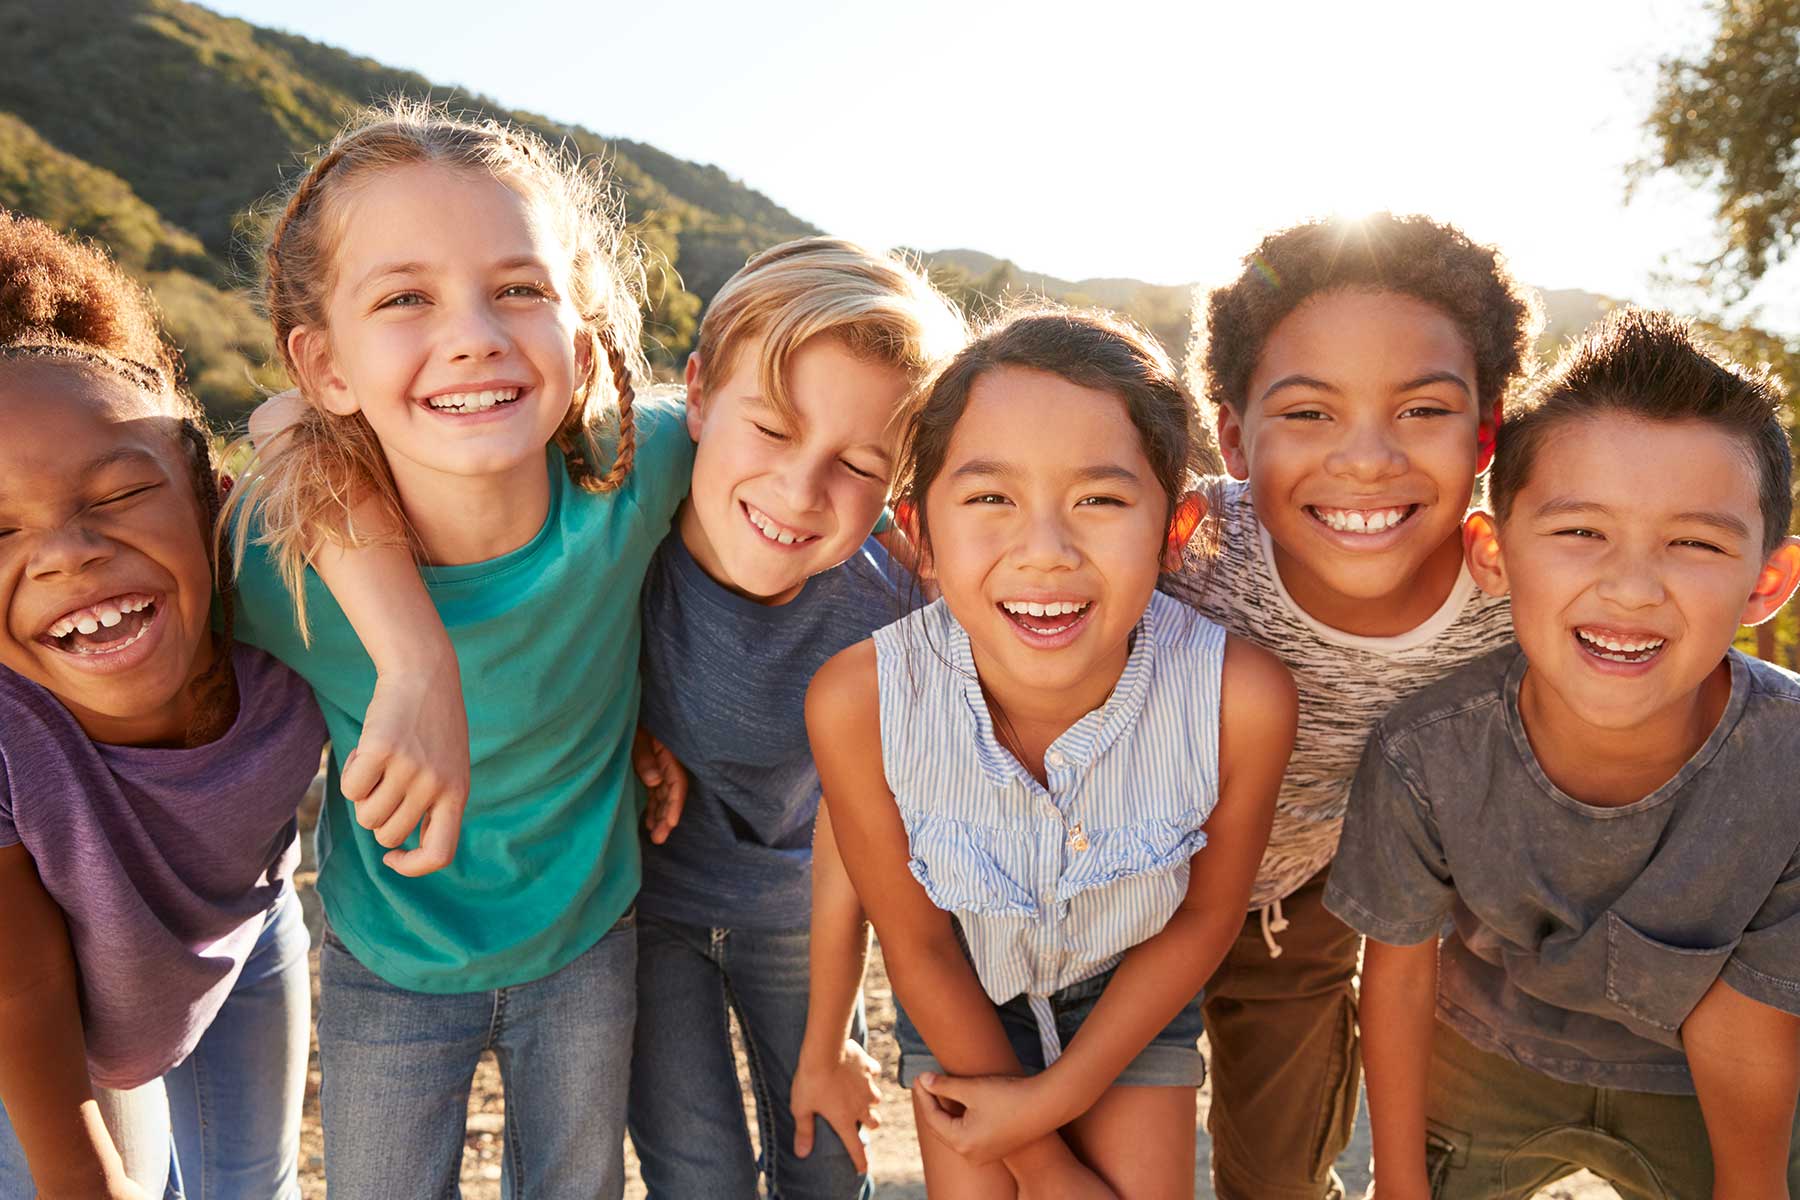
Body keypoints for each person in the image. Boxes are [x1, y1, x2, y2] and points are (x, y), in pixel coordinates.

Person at [223, 102, 692, 1197]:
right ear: (326, 364)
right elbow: (275, 425)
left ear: (581, 343)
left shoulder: (639, 474)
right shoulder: (271, 558)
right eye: (404, 298)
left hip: (587, 939)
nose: (477, 331)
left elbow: (805, 454)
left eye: (519, 287)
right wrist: (412, 655)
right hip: (391, 959)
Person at [809, 307, 1295, 1197]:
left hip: (1132, 992)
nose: (1045, 551)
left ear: (1176, 529)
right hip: (961, 992)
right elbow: (916, 943)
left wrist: (1054, 1102)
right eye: (991, 498)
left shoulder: (1240, 699)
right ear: (919, 531)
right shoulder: (859, 700)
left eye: (1100, 500)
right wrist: (1041, 1164)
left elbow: (1203, 920)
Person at [1329, 309, 1800, 1200]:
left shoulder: (1789, 768)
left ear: (1765, 583)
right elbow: (1393, 973)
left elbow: (1754, 1021)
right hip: (1483, 1050)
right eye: (1582, 532)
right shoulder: (1428, 752)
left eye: (1695, 542)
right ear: (1494, 552)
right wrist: (1396, 1182)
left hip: (1696, 1083)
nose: (1630, 587)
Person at [1165, 212, 1538, 1200]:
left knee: (1276, 1175)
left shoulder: (1518, 599)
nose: (1367, 457)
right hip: (1110, 895)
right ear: (1236, 438)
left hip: (1294, 912)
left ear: (1487, 432)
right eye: (1309, 413)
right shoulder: (1180, 544)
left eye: (1422, 410)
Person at [627, 236, 964, 1199]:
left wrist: (834, 1036)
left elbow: (866, 841)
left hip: (807, 919)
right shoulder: (622, 538)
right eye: (772, 429)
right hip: (648, 911)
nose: (800, 489)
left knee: (827, 1166)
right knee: (701, 1180)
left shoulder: (894, 607)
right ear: (697, 395)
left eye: (858, 463)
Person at [0, 211, 326, 1198]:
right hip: (54, 1018)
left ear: (214, 504)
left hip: (247, 933)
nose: (65, 550)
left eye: (114, 496)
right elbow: (23, 994)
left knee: (249, 1188)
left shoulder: (294, 622)